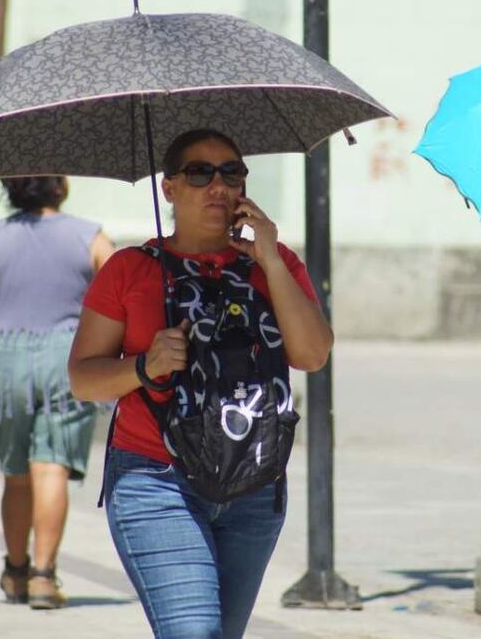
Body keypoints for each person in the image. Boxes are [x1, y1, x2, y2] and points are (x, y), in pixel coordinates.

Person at [68, 129, 333, 639]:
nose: (218, 186)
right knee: (194, 633)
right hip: (155, 479)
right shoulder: (130, 269)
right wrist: (144, 365)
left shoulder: (276, 265)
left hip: (254, 484)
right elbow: (83, 378)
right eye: (199, 173)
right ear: (169, 188)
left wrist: (272, 259)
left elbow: (312, 353)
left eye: (231, 172)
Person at [0, 176, 113, 609]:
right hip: (66, 357)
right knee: (51, 468)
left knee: (15, 473)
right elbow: (121, 286)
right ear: (60, 189)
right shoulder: (91, 236)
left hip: (3, 358)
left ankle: (14, 571)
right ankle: (44, 577)